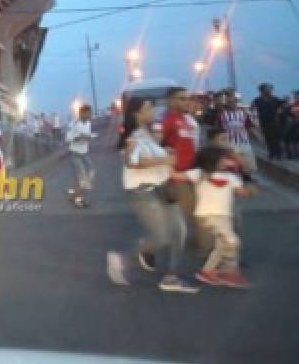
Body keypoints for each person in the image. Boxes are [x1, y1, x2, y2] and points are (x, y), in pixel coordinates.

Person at [106, 97, 197, 294]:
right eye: (149, 108)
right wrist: (165, 158)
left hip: (163, 188)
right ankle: (122, 258)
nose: (153, 110)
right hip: (144, 192)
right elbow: (133, 163)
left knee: (179, 231)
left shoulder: (149, 134)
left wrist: (168, 157)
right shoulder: (133, 137)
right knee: (163, 236)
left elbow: (160, 159)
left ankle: (171, 277)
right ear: (136, 113)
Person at [182, 145, 255, 288]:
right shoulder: (200, 173)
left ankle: (207, 271)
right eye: (223, 159)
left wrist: (250, 191)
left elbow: (242, 193)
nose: (226, 162)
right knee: (232, 241)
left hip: (225, 216)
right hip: (208, 214)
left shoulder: (231, 177)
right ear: (213, 160)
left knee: (221, 246)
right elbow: (177, 177)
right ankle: (229, 273)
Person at [161, 87, 200, 239]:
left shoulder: (185, 120)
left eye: (187, 98)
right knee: (195, 214)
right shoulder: (167, 121)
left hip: (191, 174)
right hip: (177, 178)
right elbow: (155, 146)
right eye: (181, 99)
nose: (186, 102)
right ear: (170, 101)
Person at [215, 91, 256, 174]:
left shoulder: (243, 114)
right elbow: (218, 130)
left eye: (234, 101)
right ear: (226, 103)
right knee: (234, 167)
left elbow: (250, 127)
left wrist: (261, 139)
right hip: (230, 144)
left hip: (244, 143)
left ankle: (246, 176)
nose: (232, 104)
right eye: (230, 102)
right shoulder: (222, 115)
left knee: (250, 167)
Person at [65, 104, 97, 208]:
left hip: (84, 153)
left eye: (90, 113)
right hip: (75, 154)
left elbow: (87, 136)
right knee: (83, 179)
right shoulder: (74, 124)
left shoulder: (88, 123)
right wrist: (79, 137)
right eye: (88, 113)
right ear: (82, 113)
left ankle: (74, 195)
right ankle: (78, 200)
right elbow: (68, 139)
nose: (90, 115)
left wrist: (89, 137)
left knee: (91, 171)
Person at [251, 83, 284, 161]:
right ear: (262, 91)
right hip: (264, 122)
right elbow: (252, 107)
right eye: (266, 89)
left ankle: (278, 154)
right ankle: (271, 153)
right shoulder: (257, 100)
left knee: (276, 138)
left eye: (269, 89)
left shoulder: (275, 98)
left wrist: (279, 112)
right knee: (268, 138)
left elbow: (282, 105)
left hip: (274, 121)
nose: (268, 90)